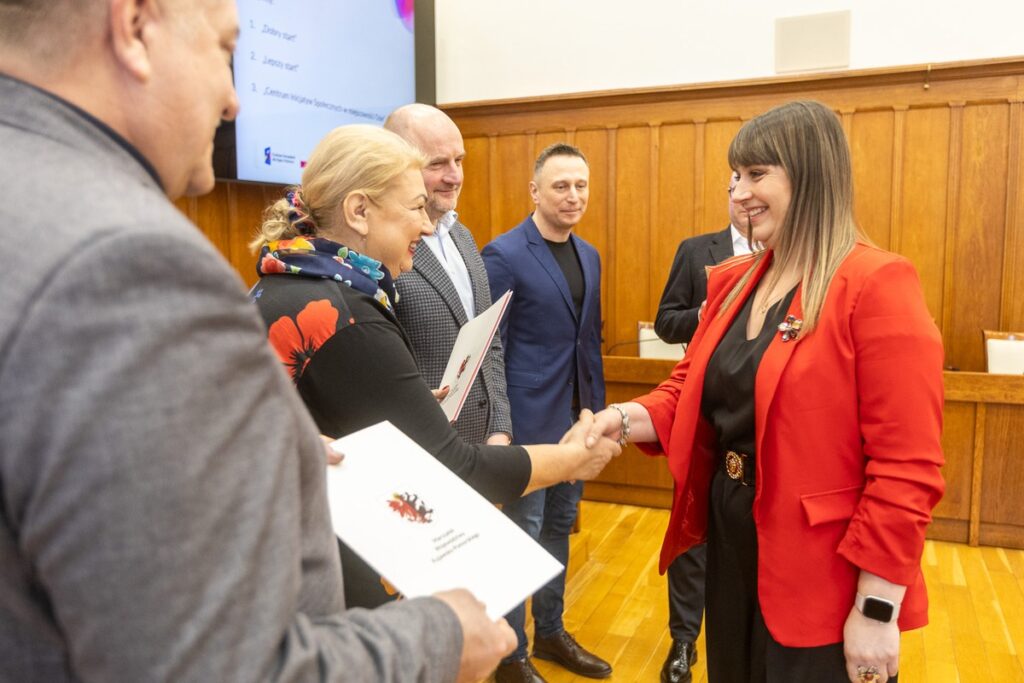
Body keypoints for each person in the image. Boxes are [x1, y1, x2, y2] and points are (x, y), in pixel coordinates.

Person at [0, 0, 516, 681]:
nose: (234, 100)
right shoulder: (128, 264)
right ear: (133, 27)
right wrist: (440, 634)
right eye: (222, 49)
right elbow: (212, 664)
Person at [587, 100, 944, 683]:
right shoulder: (733, 281)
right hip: (733, 534)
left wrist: (876, 607)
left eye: (757, 175)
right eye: (735, 177)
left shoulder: (876, 284)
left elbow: (908, 469)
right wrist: (624, 417)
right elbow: (692, 386)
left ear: (811, 176)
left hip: (823, 568)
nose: (739, 191)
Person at [249, 125, 621, 610]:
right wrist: (572, 460)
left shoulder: (287, 280)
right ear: (359, 211)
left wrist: (405, 404)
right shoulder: (346, 314)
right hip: (321, 581)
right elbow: (456, 469)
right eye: (415, 208)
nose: (426, 227)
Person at [483, 143, 612, 683]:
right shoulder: (504, 255)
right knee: (521, 535)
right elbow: (490, 346)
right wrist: (501, 427)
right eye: (561, 186)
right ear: (535, 191)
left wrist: (599, 415)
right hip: (528, 427)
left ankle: (551, 631)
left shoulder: (589, 254)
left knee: (559, 526)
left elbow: (590, 342)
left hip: (578, 423)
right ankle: (511, 655)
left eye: (580, 185)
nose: (573, 195)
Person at [652, 173, 757, 683]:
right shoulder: (697, 251)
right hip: (699, 409)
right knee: (691, 533)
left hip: (757, 422)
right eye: (738, 186)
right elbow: (666, 321)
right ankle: (683, 642)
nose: (746, 199)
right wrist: (710, 311)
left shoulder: (794, 259)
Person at [384, 103, 513, 447]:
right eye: (437, 163)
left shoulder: (463, 237)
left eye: (459, 160)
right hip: (419, 452)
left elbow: (490, 342)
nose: (454, 176)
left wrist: (499, 428)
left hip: (481, 445)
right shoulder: (379, 250)